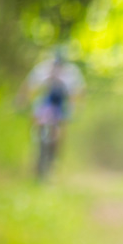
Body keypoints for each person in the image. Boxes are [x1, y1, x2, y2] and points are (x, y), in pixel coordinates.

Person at [16, 47, 85, 175]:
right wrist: (21, 100)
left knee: (62, 128)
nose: (57, 66)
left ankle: (55, 160)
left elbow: (77, 93)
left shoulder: (71, 72)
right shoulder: (43, 68)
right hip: (44, 102)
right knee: (35, 120)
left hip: (61, 103)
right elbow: (29, 86)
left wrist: (75, 108)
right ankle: (35, 151)